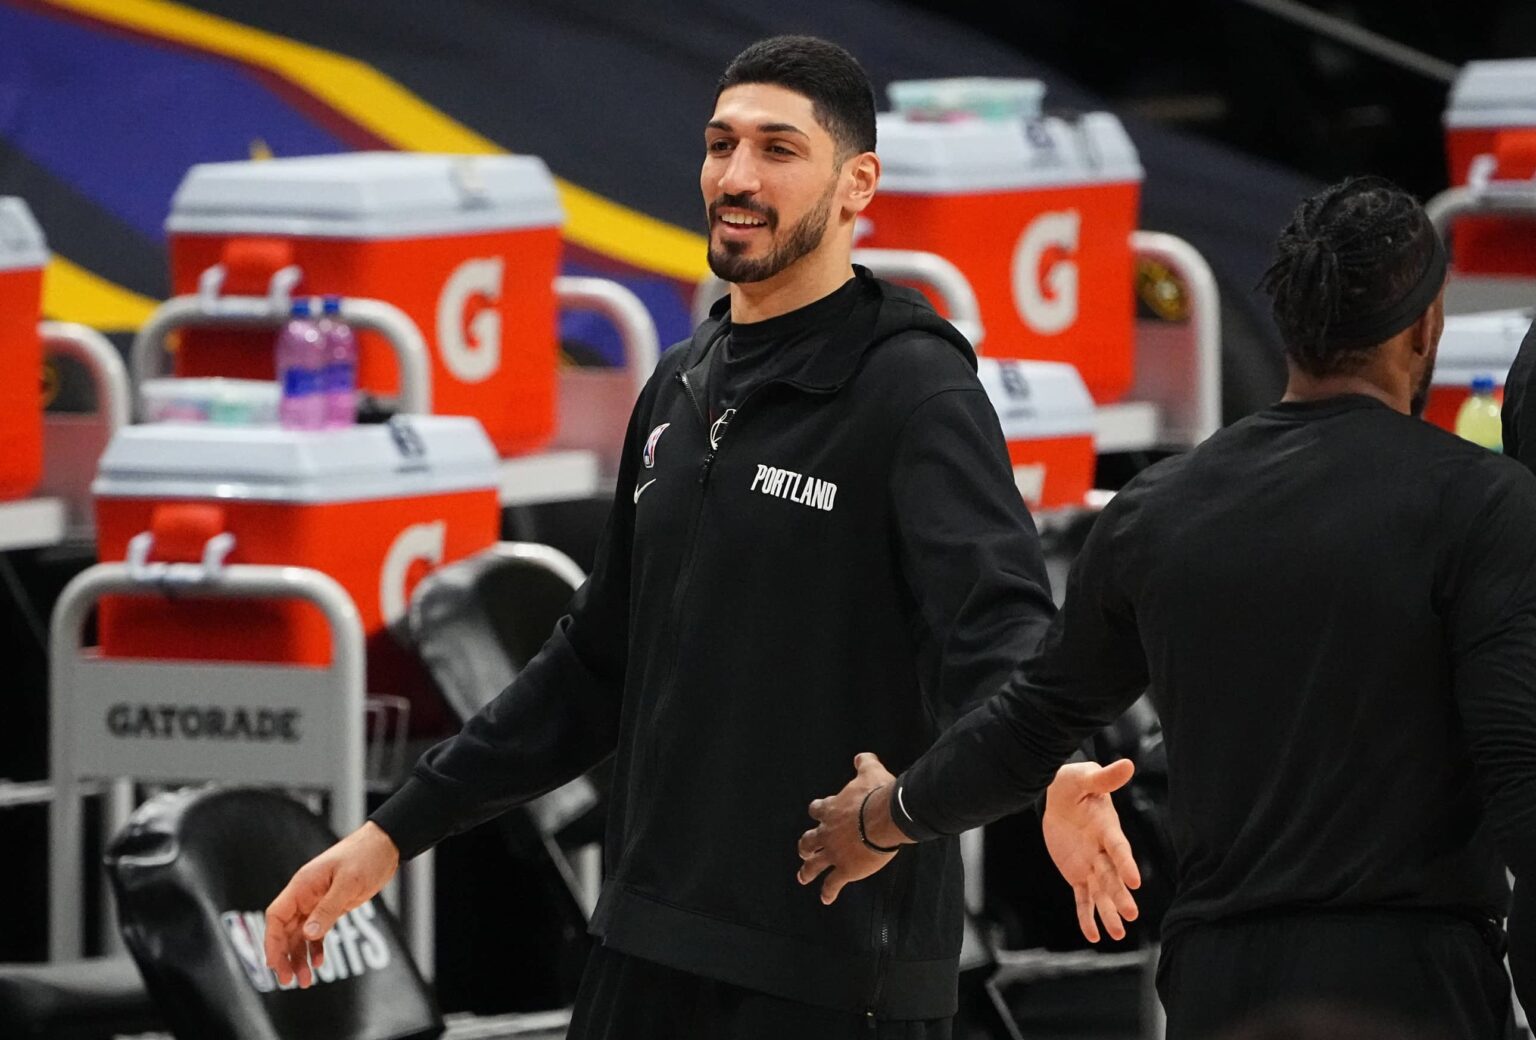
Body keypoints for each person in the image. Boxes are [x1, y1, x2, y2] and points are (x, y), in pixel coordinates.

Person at [264, 35, 1132, 1038]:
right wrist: (388, 833)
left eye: (777, 148)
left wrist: (1056, 770)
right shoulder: (682, 378)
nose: (737, 176)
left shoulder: (915, 389)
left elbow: (1000, 632)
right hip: (646, 938)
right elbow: (593, 662)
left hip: (830, 966)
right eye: (721, 145)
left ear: (859, 185)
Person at [800, 175, 1536, 1039]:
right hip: (1413, 982)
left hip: (1218, 987)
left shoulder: (1155, 511)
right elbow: (1520, 778)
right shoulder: (1484, 505)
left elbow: (1026, 724)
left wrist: (884, 818)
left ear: (1288, 327)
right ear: (1426, 328)